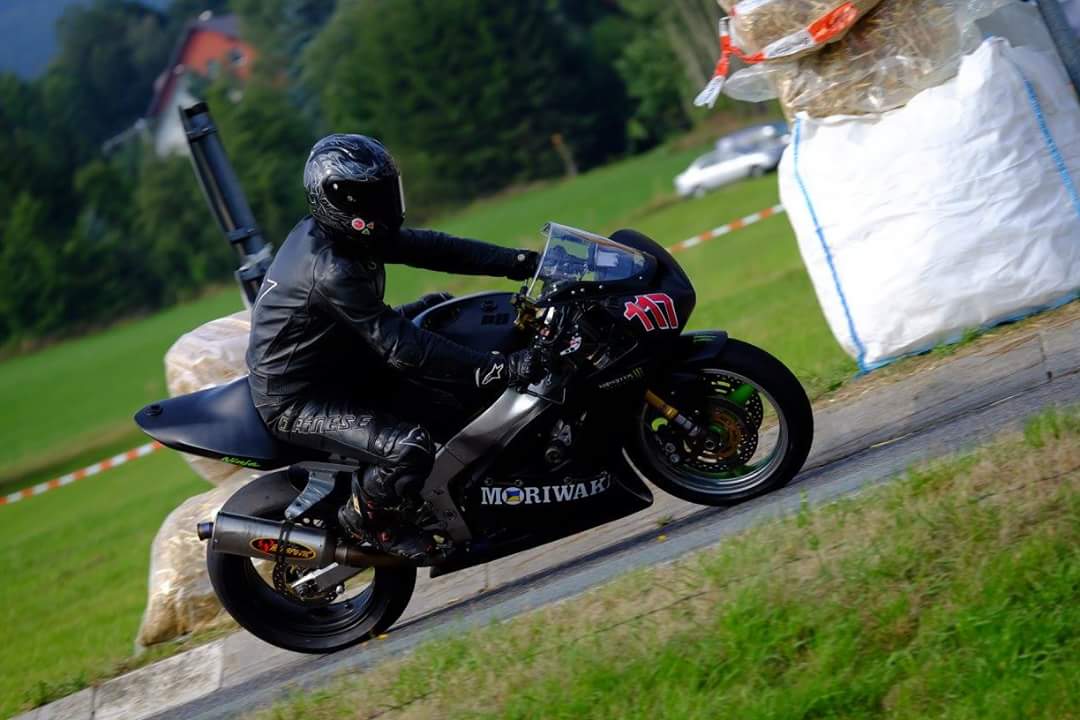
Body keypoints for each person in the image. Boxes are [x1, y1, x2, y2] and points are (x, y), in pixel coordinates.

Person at [246, 134, 540, 558]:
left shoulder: (352, 232)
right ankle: (369, 518)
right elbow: (403, 348)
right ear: (342, 201)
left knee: (448, 352)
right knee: (408, 447)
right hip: (299, 399)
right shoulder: (331, 268)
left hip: (343, 360)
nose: (386, 202)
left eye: (386, 190)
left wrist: (519, 262)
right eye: (373, 195)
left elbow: (436, 249)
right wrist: (497, 368)